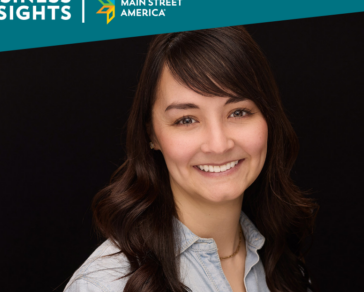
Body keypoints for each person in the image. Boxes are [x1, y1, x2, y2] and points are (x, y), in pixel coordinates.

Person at [64, 26, 318, 292]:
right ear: (152, 134)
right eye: (186, 120)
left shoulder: (285, 266)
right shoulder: (103, 286)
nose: (219, 145)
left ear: (268, 118)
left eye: (239, 112)